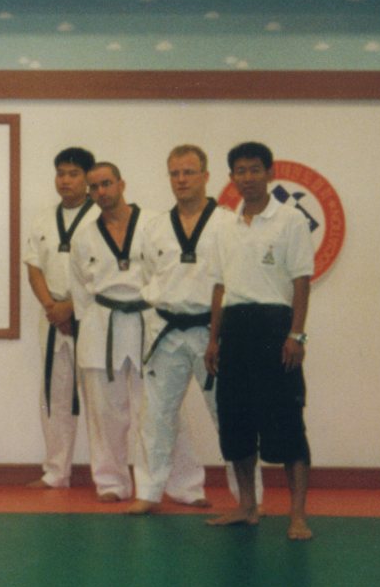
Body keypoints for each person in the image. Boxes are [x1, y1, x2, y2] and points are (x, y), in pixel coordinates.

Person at [128, 145, 262, 514]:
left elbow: (238, 278)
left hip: (212, 330)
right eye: (175, 173)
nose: (181, 180)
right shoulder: (155, 227)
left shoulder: (228, 223)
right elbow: (148, 276)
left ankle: (250, 497)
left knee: (230, 415)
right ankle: (149, 492)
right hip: (167, 329)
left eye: (189, 172)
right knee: (156, 416)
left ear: (206, 176)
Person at [69, 161, 201, 502]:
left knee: (163, 408)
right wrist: (87, 327)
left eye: (106, 183)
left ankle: (184, 485)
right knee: (104, 413)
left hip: (149, 321)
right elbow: (79, 290)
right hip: (102, 325)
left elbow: (171, 272)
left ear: (121, 183)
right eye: (94, 187)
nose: (101, 191)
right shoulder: (84, 235)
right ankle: (111, 483)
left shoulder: (155, 224)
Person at [206, 142, 314, 540]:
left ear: (269, 173)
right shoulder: (223, 224)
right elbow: (219, 286)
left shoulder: (290, 220)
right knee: (235, 421)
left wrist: (296, 334)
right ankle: (247, 506)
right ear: (231, 177)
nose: (247, 177)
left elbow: (301, 280)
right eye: (240, 171)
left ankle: (297, 516)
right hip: (234, 328)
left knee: (287, 423)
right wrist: (213, 339)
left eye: (254, 169)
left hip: (275, 327)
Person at [23, 147, 96, 489]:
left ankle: (108, 476)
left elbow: (103, 272)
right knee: (55, 394)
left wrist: (73, 307)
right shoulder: (43, 219)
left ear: (87, 178)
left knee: (100, 398)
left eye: (73, 174)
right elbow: (33, 268)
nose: (65, 181)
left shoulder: (101, 216)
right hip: (52, 315)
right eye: (61, 173)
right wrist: (53, 308)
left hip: (92, 314)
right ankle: (56, 472)